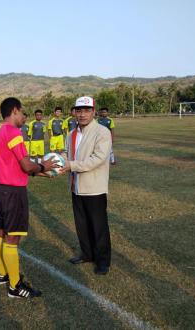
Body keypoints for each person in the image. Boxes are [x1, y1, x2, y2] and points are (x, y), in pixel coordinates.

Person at [0, 97, 57, 298]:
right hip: (13, 193)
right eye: (22, 113)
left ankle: (2, 274)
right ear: (14, 111)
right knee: (13, 239)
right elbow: (27, 165)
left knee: (1, 233)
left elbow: (17, 165)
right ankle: (15, 287)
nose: (23, 117)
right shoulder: (13, 132)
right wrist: (44, 167)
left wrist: (42, 172)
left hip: (1, 190)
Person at [61, 96, 112, 275]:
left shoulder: (102, 132)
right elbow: (66, 152)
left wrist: (71, 165)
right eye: (79, 110)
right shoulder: (71, 134)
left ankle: (103, 260)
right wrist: (60, 162)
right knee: (81, 224)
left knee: (98, 225)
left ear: (93, 112)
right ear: (75, 112)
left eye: (86, 110)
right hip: (76, 186)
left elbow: (97, 159)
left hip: (94, 188)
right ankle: (87, 254)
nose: (82, 114)